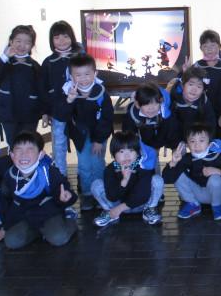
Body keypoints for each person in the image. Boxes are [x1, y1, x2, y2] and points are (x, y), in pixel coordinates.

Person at [0, 131, 77, 249]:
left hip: (48, 214)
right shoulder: (9, 176)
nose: (24, 154)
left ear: (41, 154)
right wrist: (6, 226)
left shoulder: (49, 172)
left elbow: (65, 191)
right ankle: (39, 232)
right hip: (25, 217)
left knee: (59, 238)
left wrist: (66, 197)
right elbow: (4, 203)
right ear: (12, 155)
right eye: (19, 150)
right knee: (11, 242)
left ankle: (69, 219)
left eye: (30, 149)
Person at [53, 53, 114, 211]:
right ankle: (87, 194)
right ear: (71, 77)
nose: (83, 78)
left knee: (98, 163)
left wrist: (99, 140)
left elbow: (107, 118)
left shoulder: (101, 93)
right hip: (80, 136)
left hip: (98, 136)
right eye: (78, 75)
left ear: (95, 73)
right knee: (84, 165)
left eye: (87, 74)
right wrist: (69, 100)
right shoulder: (68, 92)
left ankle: (100, 192)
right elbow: (61, 116)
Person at [122, 82, 180, 222]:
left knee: (155, 162)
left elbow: (170, 132)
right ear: (137, 104)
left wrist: (159, 147)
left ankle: (157, 192)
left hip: (158, 137)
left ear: (160, 101)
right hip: (140, 141)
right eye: (147, 104)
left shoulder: (166, 113)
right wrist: (138, 149)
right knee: (144, 164)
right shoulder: (131, 114)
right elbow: (128, 134)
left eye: (155, 103)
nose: (151, 108)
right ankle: (142, 190)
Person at [0, 24, 42, 147]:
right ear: (11, 42)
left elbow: (42, 91)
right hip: (8, 114)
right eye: (18, 41)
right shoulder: (3, 62)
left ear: (32, 45)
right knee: (13, 144)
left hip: (29, 116)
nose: (22, 45)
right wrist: (4, 57)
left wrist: (45, 112)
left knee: (28, 143)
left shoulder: (35, 67)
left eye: (27, 42)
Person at [91, 131, 164, 227]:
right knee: (96, 184)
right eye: (121, 151)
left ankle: (149, 210)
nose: (127, 156)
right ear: (113, 154)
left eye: (131, 150)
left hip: (141, 205)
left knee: (157, 180)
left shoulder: (143, 166)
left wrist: (120, 208)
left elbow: (142, 195)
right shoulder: (110, 169)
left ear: (137, 153)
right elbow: (112, 196)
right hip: (115, 206)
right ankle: (110, 213)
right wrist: (124, 181)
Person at [162, 122, 221, 220]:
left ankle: (218, 206)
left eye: (201, 140)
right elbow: (167, 179)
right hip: (195, 195)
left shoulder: (220, 157)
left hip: (217, 196)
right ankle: (193, 204)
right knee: (177, 174)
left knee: (216, 179)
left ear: (210, 143)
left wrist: (219, 171)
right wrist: (173, 162)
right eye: (192, 141)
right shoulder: (186, 158)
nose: (197, 145)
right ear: (187, 144)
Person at [40, 20, 83, 176]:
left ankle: (83, 177)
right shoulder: (48, 62)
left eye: (65, 36)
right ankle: (61, 178)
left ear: (72, 37)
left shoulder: (81, 58)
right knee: (59, 146)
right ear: (51, 40)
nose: (61, 41)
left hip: (80, 111)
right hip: (57, 111)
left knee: (82, 145)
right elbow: (43, 90)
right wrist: (45, 112)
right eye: (57, 37)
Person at [189, 29, 221, 141]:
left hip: (219, 112)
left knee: (220, 142)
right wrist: (184, 72)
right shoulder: (197, 66)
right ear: (201, 48)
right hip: (200, 112)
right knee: (201, 140)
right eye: (205, 46)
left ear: (219, 46)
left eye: (213, 45)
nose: (209, 49)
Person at [169, 65, 217, 139]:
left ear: (203, 91)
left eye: (199, 86)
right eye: (191, 84)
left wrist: (204, 140)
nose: (194, 89)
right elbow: (169, 125)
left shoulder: (204, 102)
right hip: (176, 137)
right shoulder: (174, 99)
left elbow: (210, 125)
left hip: (196, 137)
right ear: (183, 85)